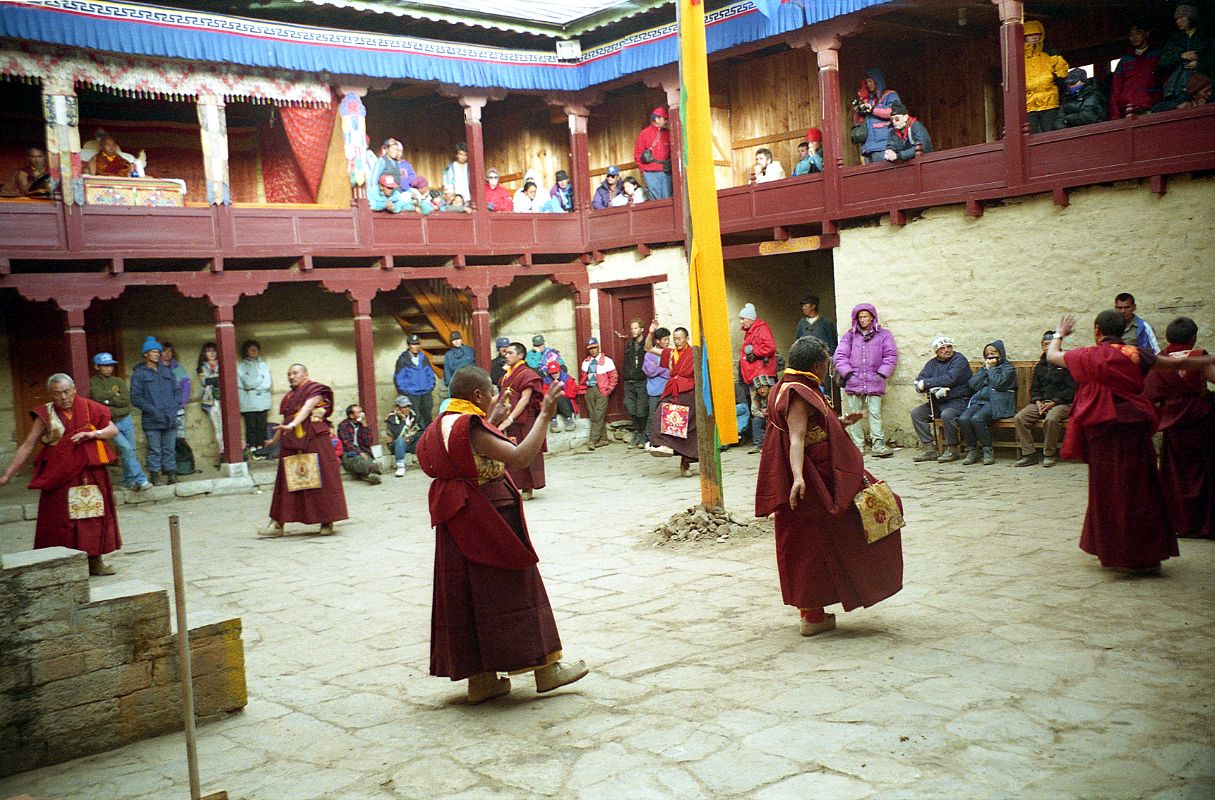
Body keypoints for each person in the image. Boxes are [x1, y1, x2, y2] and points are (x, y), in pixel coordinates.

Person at [418, 366, 587, 704]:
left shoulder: (439, 427)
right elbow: (521, 456)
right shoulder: (473, 428)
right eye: (490, 392)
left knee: (469, 594)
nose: (494, 396)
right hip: (491, 517)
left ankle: (481, 681)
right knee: (517, 588)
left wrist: (491, 418)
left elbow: (463, 454)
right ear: (477, 396)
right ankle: (546, 669)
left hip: (458, 521)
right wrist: (546, 415)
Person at [755, 336, 903, 637]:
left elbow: (812, 428)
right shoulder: (797, 393)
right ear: (816, 366)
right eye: (826, 364)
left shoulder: (783, 386)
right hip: (818, 479)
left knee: (808, 543)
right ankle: (847, 596)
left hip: (814, 476)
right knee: (868, 518)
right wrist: (798, 478)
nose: (827, 370)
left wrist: (840, 422)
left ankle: (812, 615)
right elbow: (796, 438)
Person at [1048, 310, 1214, 573]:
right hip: (1133, 428)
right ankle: (1144, 555)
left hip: (1102, 430)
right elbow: (1171, 364)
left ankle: (1112, 550)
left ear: (1097, 330)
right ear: (1123, 330)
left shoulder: (1086, 354)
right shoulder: (1136, 354)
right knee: (1140, 489)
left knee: (1106, 490)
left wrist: (1060, 333)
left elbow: (1052, 356)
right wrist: (1212, 357)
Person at [0, 374, 123, 576]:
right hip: (59, 474)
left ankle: (95, 562)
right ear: (51, 395)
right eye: (57, 394)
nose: (63, 397)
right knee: (60, 519)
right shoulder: (45, 414)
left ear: (74, 389)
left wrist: (92, 434)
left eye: (66, 391)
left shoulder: (89, 407)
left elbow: (112, 430)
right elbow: (28, 445)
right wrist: (8, 474)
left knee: (91, 515)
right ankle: (59, 565)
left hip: (89, 472)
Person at [1143, 316, 1215, 539]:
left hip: (1173, 424)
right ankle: (1204, 524)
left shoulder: (1161, 359)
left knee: (1175, 475)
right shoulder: (1198, 357)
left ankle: (1178, 523)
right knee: (1204, 472)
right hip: (1200, 422)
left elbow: (1150, 393)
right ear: (1193, 337)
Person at [261, 364, 348, 537]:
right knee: (286, 482)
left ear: (305, 374)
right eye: (289, 374)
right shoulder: (289, 397)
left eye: (295, 373)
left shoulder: (315, 390)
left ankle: (327, 521)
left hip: (314, 439)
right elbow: (286, 419)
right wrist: (274, 439)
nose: (291, 376)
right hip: (293, 441)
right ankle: (278, 524)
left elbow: (307, 408)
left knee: (322, 480)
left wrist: (292, 425)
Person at [833, 303, 898, 458]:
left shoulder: (884, 335)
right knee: (855, 415)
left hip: (875, 380)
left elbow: (891, 355)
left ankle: (878, 443)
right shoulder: (849, 336)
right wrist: (848, 374)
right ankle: (857, 445)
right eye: (860, 317)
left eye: (865, 316)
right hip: (854, 381)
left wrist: (882, 374)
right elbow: (840, 356)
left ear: (872, 318)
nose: (863, 320)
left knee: (875, 413)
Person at [1013, 331, 1077, 468]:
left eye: (1052, 344)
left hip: (1062, 402)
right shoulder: (1040, 366)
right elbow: (1034, 388)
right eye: (1045, 344)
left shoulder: (1067, 362)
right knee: (1020, 418)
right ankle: (1029, 454)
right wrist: (1037, 401)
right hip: (1041, 402)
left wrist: (1054, 402)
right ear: (1042, 346)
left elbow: (1071, 389)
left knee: (1051, 419)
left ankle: (1049, 454)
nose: (1048, 347)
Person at [89, 353, 152, 491]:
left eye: (110, 365)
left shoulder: (118, 381)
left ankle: (127, 481)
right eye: (105, 366)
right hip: (110, 423)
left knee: (131, 450)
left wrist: (108, 401)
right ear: (97, 367)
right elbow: (97, 397)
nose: (108, 368)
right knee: (126, 448)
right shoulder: (93, 382)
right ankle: (141, 480)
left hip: (125, 419)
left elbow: (125, 401)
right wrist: (113, 396)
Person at [909, 335, 973, 463]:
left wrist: (926, 383)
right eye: (942, 348)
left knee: (947, 414)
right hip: (938, 402)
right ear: (936, 351)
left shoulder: (959, 360)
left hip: (959, 400)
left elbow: (950, 378)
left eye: (949, 346)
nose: (946, 350)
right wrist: (922, 386)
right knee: (917, 414)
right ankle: (929, 448)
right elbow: (920, 379)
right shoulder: (932, 363)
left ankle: (952, 448)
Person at [646, 324, 698, 477]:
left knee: (686, 429)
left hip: (688, 392)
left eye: (680, 339)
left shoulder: (694, 353)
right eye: (674, 339)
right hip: (672, 390)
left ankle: (685, 463)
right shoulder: (670, 353)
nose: (677, 342)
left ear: (686, 339)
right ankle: (661, 444)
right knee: (660, 413)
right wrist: (651, 333)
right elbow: (649, 348)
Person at [499, 343, 547, 500]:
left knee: (527, 450)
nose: (506, 355)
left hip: (525, 419)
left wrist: (510, 418)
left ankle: (528, 486)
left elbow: (525, 399)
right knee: (511, 450)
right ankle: (515, 485)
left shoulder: (527, 374)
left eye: (510, 353)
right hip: (510, 418)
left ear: (520, 356)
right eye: (505, 352)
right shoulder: (507, 374)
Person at [129, 336, 179, 485]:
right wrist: (153, 410)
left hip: (169, 417)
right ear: (145, 354)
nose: (157, 354)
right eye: (153, 352)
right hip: (152, 419)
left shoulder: (167, 371)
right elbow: (135, 397)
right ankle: (155, 475)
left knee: (170, 448)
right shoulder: (139, 374)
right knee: (154, 449)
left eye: (158, 351)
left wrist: (173, 408)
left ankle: (171, 474)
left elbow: (177, 391)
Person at [958, 341, 1016, 466]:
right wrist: (985, 370)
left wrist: (992, 369)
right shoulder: (986, 368)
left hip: (998, 403)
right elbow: (973, 385)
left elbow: (998, 383)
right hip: (980, 402)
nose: (990, 356)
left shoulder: (1008, 369)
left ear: (1001, 353)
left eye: (993, 353)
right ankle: (972, 450)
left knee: (977, 419)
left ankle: (987, 449)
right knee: (963, 418)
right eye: (987, 354)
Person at [1023, 20, 1070, 134]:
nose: (1034, 37)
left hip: (1050, 101)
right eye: (1030, 34)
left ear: (1041, 35)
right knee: (1030, 136)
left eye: (1036, 34)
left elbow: (1063, 71)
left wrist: (1052, 78)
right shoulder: (1019, 57)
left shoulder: (1051, 53)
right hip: (1029, 103)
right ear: (1024, 37)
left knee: (1050, 133)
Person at [1110, 23, 1163, 118]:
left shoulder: (1157, 56)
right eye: (1131, 35)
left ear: (1146, 34)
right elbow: (1116, 89)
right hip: (1129, 110)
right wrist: (1115, 117)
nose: (1134, 37)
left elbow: (1166, 81)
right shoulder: (1125, 61)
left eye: (1138, 33)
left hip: (1154, 108)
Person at [1160, 4, 1214, 94]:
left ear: (1191, 17)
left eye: (1181, 18)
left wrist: (1199, 63)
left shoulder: (1206, 36)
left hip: (1203, 85)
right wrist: (1180, 55)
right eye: (1176, 19)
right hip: (1178, 85)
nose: (1178, 22)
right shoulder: (1174, 40)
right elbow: (1163, 62)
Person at [578, 337, 618, 451]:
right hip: (589, 389)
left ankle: (592, 441)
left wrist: (608, 390)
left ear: (598, 347)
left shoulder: (607, 361)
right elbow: (583, 377)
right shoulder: (586, 362)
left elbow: (614, 377)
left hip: (602, 390)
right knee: (593, 415)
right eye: (590, 348)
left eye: (595, 348)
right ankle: (603, 439)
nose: (593, 350)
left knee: (598, 416)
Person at [854, 68, 901, 163]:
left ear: (877, 81)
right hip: (867, 147)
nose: (868, 84)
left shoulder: (890, 95)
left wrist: (872, 110)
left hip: (883, 145)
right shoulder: (868, 100)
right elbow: (858, 122)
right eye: (867, 82)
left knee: (883, 174)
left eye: (871, 81)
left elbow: (893, 112)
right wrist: (858, 110)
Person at [238, 340, 273, 459]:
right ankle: (252, 449)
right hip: (249, 402)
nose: (254, 351)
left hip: (263, 400)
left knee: (261, 426)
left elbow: (267, 384)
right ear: (246, 351)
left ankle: (261, 449)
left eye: (256, 349)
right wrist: (260, 379)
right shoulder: (241, 366)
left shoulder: (263, 365)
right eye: (251, 349)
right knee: (251, 426)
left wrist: (255, 384)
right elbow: (247, 384)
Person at [394, 334, 436, 430]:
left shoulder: (424, 358)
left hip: (425, 392)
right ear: (409, 345)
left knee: (427, 416)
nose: (415, 347)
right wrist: (405, 391)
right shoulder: (403, 359)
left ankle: (429, 438)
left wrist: (430, 385)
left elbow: (430, 373)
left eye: (417, 344)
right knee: (414, 417)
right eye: (413, 344)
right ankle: (417, 440)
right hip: (412, 394)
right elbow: (398, 377)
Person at [620, 318, 650, 448]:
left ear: (642, 329)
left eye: (636, 328)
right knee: (631, 408)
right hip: (629, 381)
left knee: (641, 409)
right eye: (632, 328)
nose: (633, 331)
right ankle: (636, 432)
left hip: (641, 381)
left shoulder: (646, 344)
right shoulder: (629, 345)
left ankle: (643, 434)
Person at [336, 404, 382, 485]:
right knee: (358, 459)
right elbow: (347, 443)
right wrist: (359, 452)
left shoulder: (364, 423)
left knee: (365, 459)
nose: (362, 414)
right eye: (359, 412)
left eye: (362, 411)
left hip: (364, 452)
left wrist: (364, 426)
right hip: (349, 453)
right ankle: (373, 469)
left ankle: (371, 475)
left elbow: (368, 442)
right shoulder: (343, 425)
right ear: (351, 415)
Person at [633, 107, 672, 200]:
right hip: (651, 172)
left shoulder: (668, 133)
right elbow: (638, 153)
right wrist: (644, 170)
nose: (667, 121)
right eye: (665, 118)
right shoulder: (644, 134)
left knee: (668, 198)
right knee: (655, 199)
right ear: (657, 119)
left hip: (666, 170)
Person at [196, 342, 224, 466]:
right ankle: (222, 453)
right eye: (208, 351)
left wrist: (213, 379)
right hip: (211, 400)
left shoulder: (222, 363)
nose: (212, 353)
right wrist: (217, 378)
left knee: (227, 427)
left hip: (223, 399)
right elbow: (204, 381)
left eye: (214, 350)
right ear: (204, 353)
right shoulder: (202, 366)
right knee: (217, 428)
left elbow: (224, 379)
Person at [738, 303, 778, 390]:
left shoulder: (761, 329)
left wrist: (754, 351)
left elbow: (770, 347)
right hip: (757, 373)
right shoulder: (752, 330)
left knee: (762, 401)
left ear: (750, 318)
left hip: (761, 375)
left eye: (743, 319)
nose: (741, 322)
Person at [642, 326, 671, 447]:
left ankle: (666, 440)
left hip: (667, 389)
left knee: (668, 415)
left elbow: (672, 371)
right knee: (653, 415)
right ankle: (649, 439)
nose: (667, 341)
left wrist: (659, 369)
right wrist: (664, 369)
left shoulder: (669, 352)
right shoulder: (650, 354)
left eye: (668, 339)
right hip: (654, 391)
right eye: (665, 339)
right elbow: (650, 371)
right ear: (658, 341)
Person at [385, 396, 423, 478]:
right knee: (400, 441)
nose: (406, 409)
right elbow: (397, 434)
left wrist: (411, 438)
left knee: (426, 438)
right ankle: (401, 466)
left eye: (408, 406)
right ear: (397, 408)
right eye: (403, 407)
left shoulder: (415, 415)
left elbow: (422, 430)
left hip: (411, 442)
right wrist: (403, 419)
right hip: (397, 445)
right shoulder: (391, 418)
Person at [160, 342, 190, 440]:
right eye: (164, 351)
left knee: (179, 437)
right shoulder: (156, 368)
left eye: (170, 351)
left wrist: (182, 402)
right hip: (161, 410)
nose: (167, 354)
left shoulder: (177, 368)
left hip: (178, 409)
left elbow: (186, 384)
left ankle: (180, 455)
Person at [545, 360, 580, 433]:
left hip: (567, 404)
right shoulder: (546, 380)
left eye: (556, 372)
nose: (554, 375)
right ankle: (553, 421)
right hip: (553, 405)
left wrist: (562, 393)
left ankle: (569, 419)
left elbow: (572, 393)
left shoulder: (567, 378)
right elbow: (544, 393)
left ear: (560, 371)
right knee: (553, 397)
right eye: (552, 373)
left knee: (559, 396)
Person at [749, 374, 775, 454]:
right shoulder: (756, 398)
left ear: (768, 387)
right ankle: (758, 444)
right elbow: (754, 411)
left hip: (774, 417)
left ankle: (772, 445)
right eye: (759, 388)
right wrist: (764, 415)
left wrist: (769, 415)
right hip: (763, 416)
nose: (762, 390)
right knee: (756, 421)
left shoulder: (774, 395)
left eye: (764, 387)